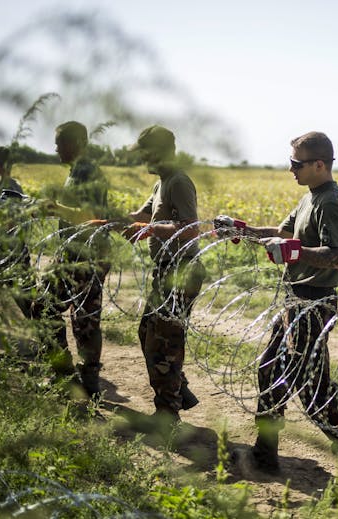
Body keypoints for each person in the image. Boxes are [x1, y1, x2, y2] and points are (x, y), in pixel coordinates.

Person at [214, 131, 338, 494]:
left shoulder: (331, 202)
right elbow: (282, 232)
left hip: (313, 303)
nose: (291, 170)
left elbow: (335, 254)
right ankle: (266, 452)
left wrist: (292, 252)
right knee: (270, 369)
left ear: (319, 164)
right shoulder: (310, 197)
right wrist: (242, 230)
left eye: (296, 164)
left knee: (314, 390)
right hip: (294, 301)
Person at [125, 124, 204, 422]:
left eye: (145, 152)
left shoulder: (179, 182)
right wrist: (109, 218)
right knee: (148, 332)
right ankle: (179, 391)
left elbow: (190, 227)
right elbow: (142, 216)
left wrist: (149, 229)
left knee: (165, 342)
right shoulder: (161, 183)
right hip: (166, 272)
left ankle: (167, 414)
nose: (142, 158)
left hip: (181, 272)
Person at [30, 121, 111, 394]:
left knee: (82, 320)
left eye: (59, 143)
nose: (55, 149)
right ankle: (68, 375)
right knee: (47, 308)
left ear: (75, 144)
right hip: (72, 252)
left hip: (86, 254)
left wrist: (55, 207)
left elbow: (89, 215)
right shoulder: (77, 171)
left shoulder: (88, 171)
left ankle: (84, 383)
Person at [0, 146, 34, 316]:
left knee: (30, 305)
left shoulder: (11, 189)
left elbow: (10, 223)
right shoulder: (0, 188)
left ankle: (51, 338)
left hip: (10, 255)